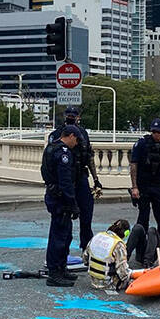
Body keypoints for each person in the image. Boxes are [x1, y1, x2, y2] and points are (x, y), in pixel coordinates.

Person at [49, 107, 103, 250]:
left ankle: (87, 248)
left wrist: (96, 179)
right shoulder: (57, 134)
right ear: (64, 116)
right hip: (65, 179)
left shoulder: (83, 134)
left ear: (79, 116)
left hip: (80, 177)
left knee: (87, 213)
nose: (71, 117)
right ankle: (61, 254)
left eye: (74, 115)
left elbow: (89, 157)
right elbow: (50, 160)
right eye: (69, 115)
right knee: (65, 216)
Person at [40, 125, 81, 287]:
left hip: (54, 195)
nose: (76, 143)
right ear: (70, 136)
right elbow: (65, 182)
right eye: (76, 139)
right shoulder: (63, 153)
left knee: (65, 234)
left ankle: (61, 268)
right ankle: (55, 272)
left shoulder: (51, 148)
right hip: (61, 199)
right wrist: (72, 203)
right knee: (59, 236)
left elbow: (44, 171)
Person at [129, 118, 160, 241]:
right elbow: (134, 165)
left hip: (159, 186)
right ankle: (141, 247)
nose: (156, 134)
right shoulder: (142, 144)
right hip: (143, 185)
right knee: (143, 218)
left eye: (158, 132)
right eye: (154, 132)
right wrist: (134, 187)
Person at [84, 219, 132, 290]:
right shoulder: (118, 245)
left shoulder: (98, 236)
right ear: (126, 233)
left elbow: (85, 258)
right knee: (130, 276)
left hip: (93, 280)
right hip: (109, 283)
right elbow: (123, 272)